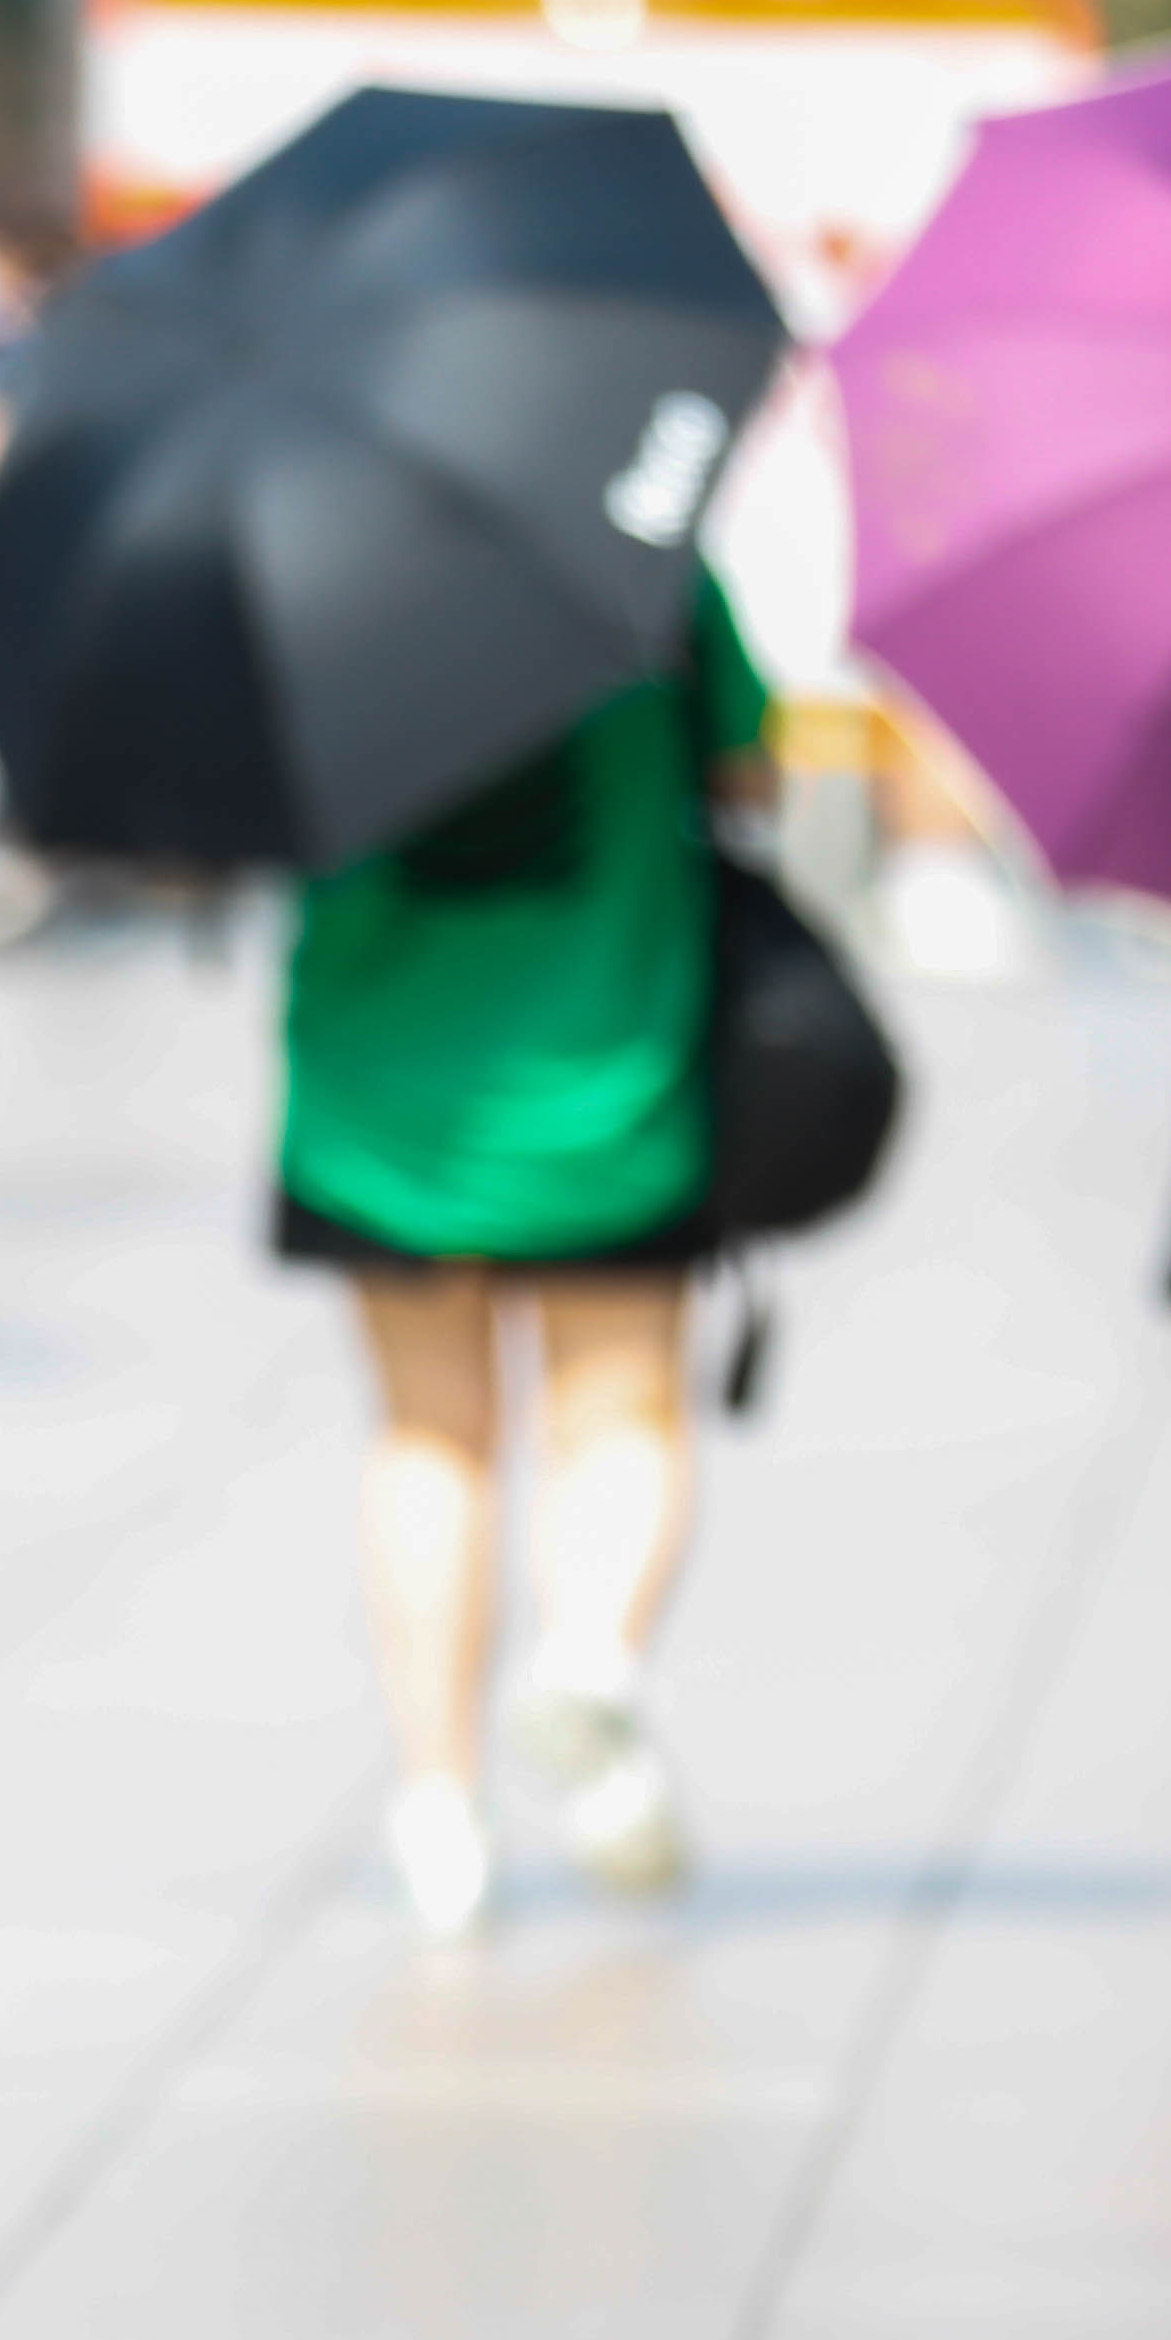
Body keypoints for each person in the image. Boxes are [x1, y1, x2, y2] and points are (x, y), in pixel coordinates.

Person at [278, 572, 762, 1937]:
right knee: (622, 1409)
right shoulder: (645, 547)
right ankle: (592, 1658)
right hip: (610, 1069)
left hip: (380, 1100)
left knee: (428, 1436)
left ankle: (440, 1805)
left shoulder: (310, 571)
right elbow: (744, 767)